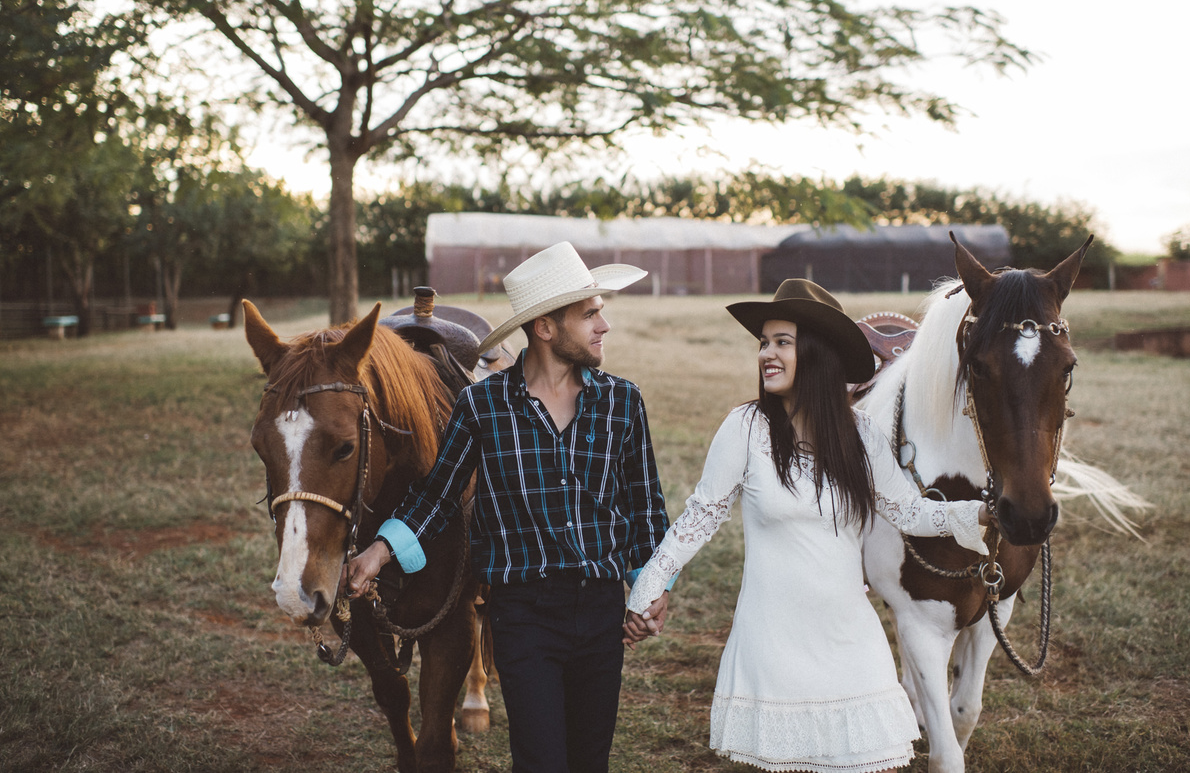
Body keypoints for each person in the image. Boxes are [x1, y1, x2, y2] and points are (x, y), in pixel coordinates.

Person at [623, 279, 993, 773]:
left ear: (817, 354)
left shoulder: (861, 435)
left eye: (782, 342)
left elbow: (909, 512)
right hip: (773, 645)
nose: (766, 354)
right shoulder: (745, 428)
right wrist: (647, 586)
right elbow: (699, 517)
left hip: (849, 643)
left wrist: (980, 514)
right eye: (763, 342)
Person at [345, 241, 669, 773]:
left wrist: (650, 590)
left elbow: (644, 507)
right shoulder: (483, 406)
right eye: (589, 314)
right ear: (545, 327)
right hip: (523, 614)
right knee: (541, 760)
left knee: (590, 761)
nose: (603, 325)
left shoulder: (622, 402)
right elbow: (438, 496)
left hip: (599, 612)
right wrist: (379, 552)